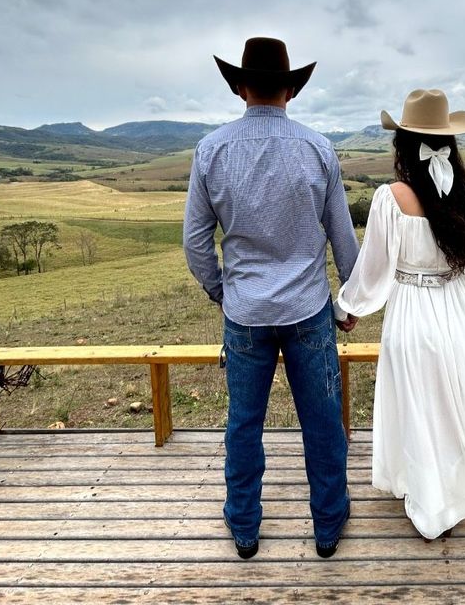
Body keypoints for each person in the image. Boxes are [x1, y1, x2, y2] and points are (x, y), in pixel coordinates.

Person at [183, 37, 360, 560]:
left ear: (240, 88)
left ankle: (244, 528)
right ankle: (328, 525)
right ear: (291, 90)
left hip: (245, 313)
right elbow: (342, 237)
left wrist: (222, 292)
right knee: (323, 424)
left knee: (243, 424)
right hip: (308, 310)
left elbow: (195, 242)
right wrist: (349, 301)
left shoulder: (211, 150)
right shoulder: (318, 148)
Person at [335, 89, 465, 548]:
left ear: (402, 145)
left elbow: (372, 272)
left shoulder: (390, 198)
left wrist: (347, 308)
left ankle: (430, 505)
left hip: (410, 314)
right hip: (458, 314)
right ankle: (460, 495)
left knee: (420, 409)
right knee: (461, 406)